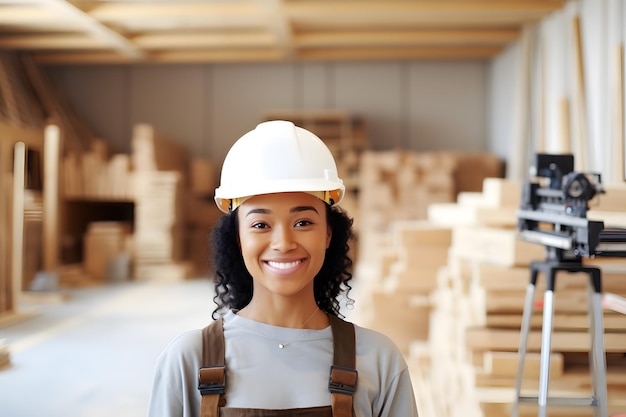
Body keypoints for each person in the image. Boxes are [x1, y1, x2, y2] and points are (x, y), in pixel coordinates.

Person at [147, 120, 419, 417]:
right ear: (238, 239)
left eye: (303, 222)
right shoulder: (188, 361)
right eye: (261, 225)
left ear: (328, 234)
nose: (284, 243)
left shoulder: (379, 361)